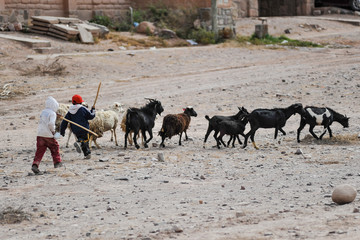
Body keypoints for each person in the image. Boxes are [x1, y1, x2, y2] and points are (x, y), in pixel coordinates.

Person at [32, 96, 63, 174]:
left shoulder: (43, 111)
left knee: (40, 151)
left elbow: (46, 118)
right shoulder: (53, 113)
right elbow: (51, 123)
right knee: (55, 147)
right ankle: (57, 163)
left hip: (40, 134)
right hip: (48, 135)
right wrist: (53, 131)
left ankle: (35, 164)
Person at [60, 94, 95, 159]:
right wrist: (93, 110)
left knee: (82, 139)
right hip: (84, 128)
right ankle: (83, 148)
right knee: (86, 140)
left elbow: (65, 121)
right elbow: (91, 116)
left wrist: (62, 131)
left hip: (75, 130)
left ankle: (86, 154)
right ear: (81, 102)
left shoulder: (70, 111)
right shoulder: (83, 108)